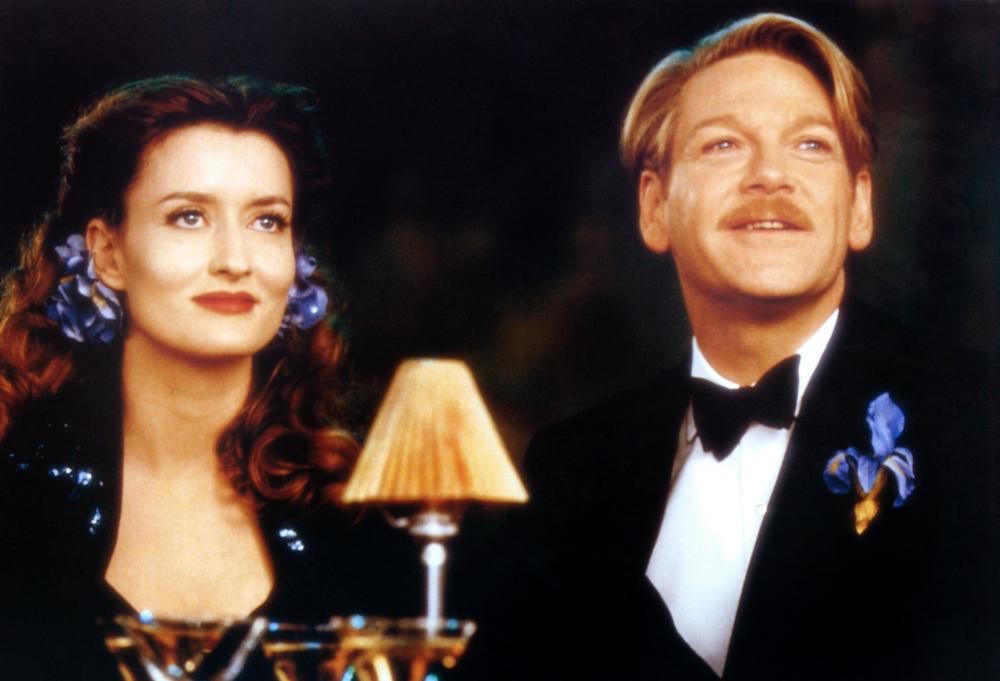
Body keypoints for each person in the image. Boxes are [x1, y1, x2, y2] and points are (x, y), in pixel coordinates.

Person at [462, 13, 990, 681]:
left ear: (860, 206)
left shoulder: (979, 426)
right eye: (723, 145)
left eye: (810, 145)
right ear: (654, 207)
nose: (770, 175)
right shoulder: (573, 468)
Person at [0, 76, 414, 680]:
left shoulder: (355, 524)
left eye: (267, 221)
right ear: (108, 254)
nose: (236, 260)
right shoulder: (15, 498)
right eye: (188, 217)